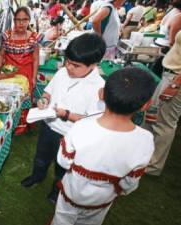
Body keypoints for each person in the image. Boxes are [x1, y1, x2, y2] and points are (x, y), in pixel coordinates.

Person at [51, 67, 156, 225]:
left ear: (101, 94)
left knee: (62, 219)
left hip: (72, 193)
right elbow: (129, 183)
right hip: (102, 200)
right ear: (146, 105)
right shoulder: (146, 140)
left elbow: (64, 161)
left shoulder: (81, 127)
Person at [21, 33, 106, 203]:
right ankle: (37, 176)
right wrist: (44, 100)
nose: (68, 67)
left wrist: (65, 114)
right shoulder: (62, 72)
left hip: (70, 136)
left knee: (63, 167)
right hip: (49, 126)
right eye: (67, 61)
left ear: (93, 65)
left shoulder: (99, 87)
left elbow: (90, 120)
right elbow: (48, 91)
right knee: (41, 157)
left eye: (75, 65)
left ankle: (56, 190)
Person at [0, 7, 43, 135]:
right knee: (8, 99)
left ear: (29, 21)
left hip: (26, 74)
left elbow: (35, 59)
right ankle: (7, 125)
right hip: (9, 75)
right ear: (14, 21)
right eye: (18, 20)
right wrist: (0, 69)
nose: (21, 23)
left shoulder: (34, 38)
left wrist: (33, 78)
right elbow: (1, 54)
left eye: (24, 20)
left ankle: (21, 125)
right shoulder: (6, 35)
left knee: (24, 100)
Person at [143, 31, 181, 176]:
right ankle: (147, 154)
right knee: (153, 113)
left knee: (165, 122)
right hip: (170, 74)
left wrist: (175, 84)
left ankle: (153, 166)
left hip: (175, 78)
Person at [151, 0, 181, 75]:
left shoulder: (171, 11)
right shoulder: (179, 17)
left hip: (160, 46)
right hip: (166, 50)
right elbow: (172, 41)